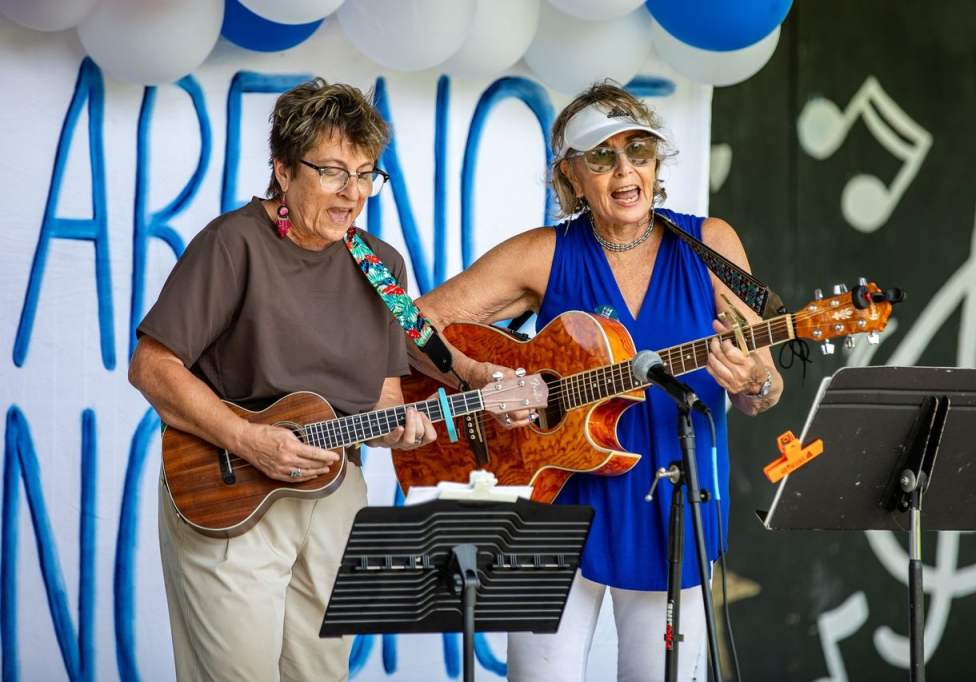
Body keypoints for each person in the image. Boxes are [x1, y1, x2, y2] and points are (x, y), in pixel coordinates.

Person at [408, 81, 783, 681]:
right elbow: (414, 322)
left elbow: (762, 389)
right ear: (571, 176)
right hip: (555, 502)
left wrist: (752, 382)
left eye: (639, 150)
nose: (625, 170)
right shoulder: (543, 254)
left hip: (673, 509)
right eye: (602, 157)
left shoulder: (711, 245)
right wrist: (482, 376)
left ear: (658, 163)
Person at [128, 78, 437, 681]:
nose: (353, 193)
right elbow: (152, 366)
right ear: (283, 170)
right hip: (231, 488)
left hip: (336, 491)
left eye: (367, 174)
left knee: (322, 673)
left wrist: (398, 431)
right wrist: (248, 440)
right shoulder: (230, 243)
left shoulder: (383, 265)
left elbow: (382, 398)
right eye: (332, 172)